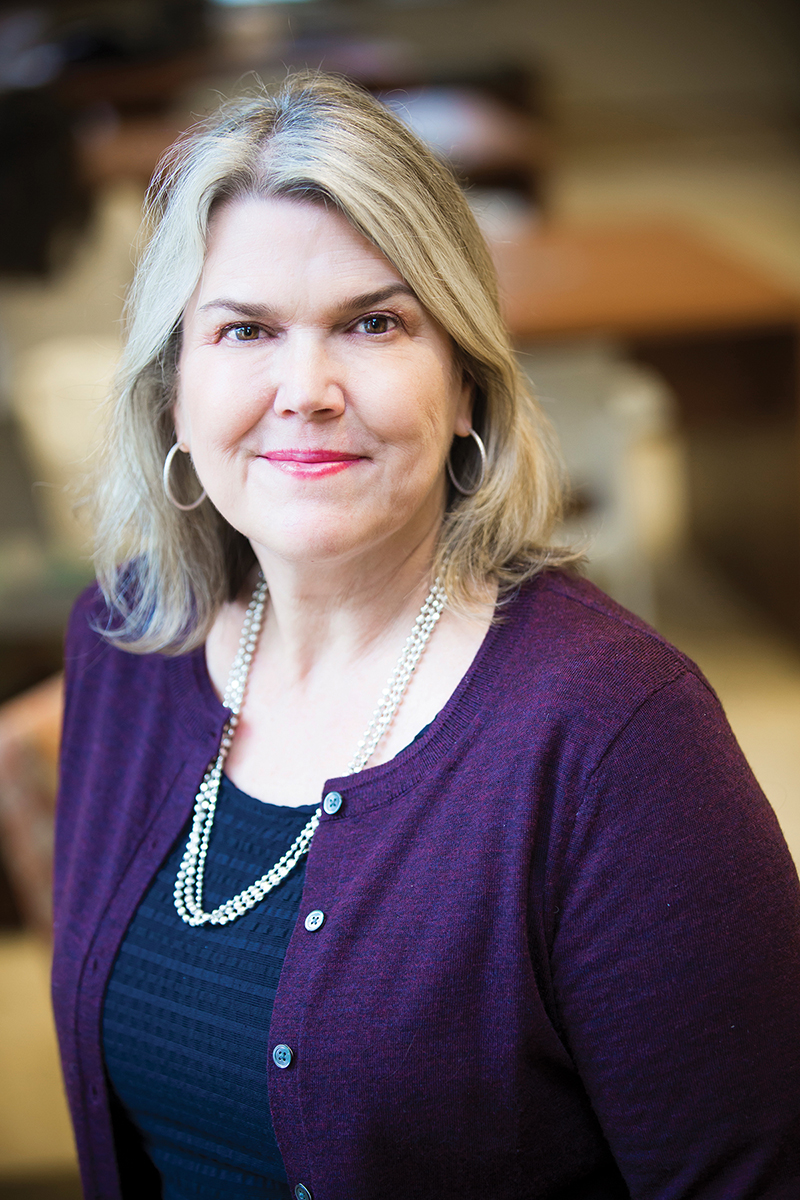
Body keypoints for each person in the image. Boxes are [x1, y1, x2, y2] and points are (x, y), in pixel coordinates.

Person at [52, 73, 800, 1200]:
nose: (305, 388)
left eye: (374, 322)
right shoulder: (124, 642)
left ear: (465, 385)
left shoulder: (616, 740)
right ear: (173, 392)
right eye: (245, 329)